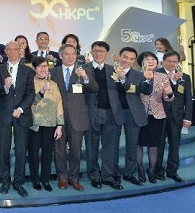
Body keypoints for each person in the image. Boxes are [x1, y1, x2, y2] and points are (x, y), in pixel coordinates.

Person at [50, 44, 97, 191]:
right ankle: (62, 178)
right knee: (59, 150)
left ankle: (74, 178)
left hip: (78, 117)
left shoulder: (84, 71)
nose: (71, 57)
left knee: (76, 150)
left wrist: (86, 78)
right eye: (67, 54)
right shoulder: (53, 72)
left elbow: (94, 89)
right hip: (58, 117)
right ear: (60, 56)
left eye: (73, 54)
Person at [0, 41, 35, 197]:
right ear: (5, 51)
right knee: (3, 150)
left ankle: (19, 182)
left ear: (20, 51)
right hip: (3, 114)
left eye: (15, 49)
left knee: (21, 150)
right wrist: (4, 87)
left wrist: (21, 108)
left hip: (22, 114)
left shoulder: (28, 71)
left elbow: (31, 93)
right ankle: (5, 181)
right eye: (8, 49)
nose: (11, 52)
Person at [84, 41, 125, 190]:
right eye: (95, 50)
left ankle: (108, 176)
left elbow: (125, 89)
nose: (98, 53)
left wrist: (122, 78)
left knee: (110, 147)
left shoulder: (114, 69)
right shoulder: (83, 69)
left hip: (111, 113)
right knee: (91, 146)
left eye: (102, 51)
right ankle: (94, 175)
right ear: (92, 52)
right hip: (91, 113)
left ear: (107, 54)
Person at [114, 47, 152, 186]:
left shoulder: (138, 74)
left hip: (133, 114)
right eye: (125, 57)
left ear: (134, 61)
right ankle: (114, 172)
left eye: (131, 59)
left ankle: (129, 172)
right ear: (119, 57)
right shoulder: (110, 72)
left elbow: (146, 91)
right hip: (114, 112)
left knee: (132, 145)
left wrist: (148, 80)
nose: (127, 61)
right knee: (113, 145)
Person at [136, 51, 174, 183]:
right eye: (147, 59)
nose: (151, 61)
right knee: (138, 143)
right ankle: (140, 168)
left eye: (153, 59)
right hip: (139, 116)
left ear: (157, 62)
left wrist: (169, 93)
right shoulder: (137, 76)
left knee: (154, 144)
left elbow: (169, 98)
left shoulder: (163, 76)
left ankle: (151, 170)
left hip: (157, 116)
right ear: (141, 63)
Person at [156, 51, 192, 183]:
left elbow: (188, 98)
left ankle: (172, 171)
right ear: (163, 60)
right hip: (159, 115)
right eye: (169, 61)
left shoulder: (185, 77)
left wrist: (188, 117)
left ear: (178, 62)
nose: (172, 64)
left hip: (176, 116)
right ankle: (158, 171)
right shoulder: (157, 74)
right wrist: (173, 81)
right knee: (158, 145)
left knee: (174, 145)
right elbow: (158, 94)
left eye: (175, 62)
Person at [28, 56, 63, 192]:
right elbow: (29, 103)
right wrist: (41, 92)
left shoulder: (53, 84)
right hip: (34, 124)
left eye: (45, 66)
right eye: (40, 66)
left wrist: (59, 125)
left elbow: (59, 104)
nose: (43, 69)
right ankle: (35, 179)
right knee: (34, 153)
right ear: (34, 69)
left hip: (50, 124)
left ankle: (45, 179)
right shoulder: (29, 83)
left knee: (48, 154)